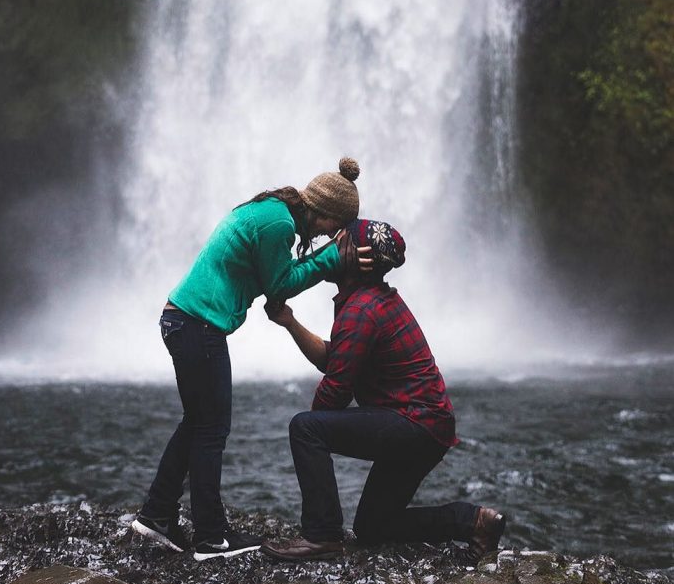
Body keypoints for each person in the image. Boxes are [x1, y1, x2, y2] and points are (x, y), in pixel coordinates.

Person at [132, 158, 372, 561]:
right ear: (326, 212)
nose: (335, 235)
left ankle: (157, 515)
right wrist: (333, 258)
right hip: (198, 326)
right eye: (336, 227)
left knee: (197, 424)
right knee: (211, 429)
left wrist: (325, 256)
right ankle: (210, 538)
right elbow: (280, 287)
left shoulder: (274, 211)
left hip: (183, 320)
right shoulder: (279, 225)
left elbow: (276, 278)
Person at [260, 218, 506, 562]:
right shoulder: (373, 300)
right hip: (428, 426)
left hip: (413, 424)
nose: (328, 250)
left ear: (356, 258)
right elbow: (339, 357)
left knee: (305, 427)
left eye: (337, 244)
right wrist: (290, 322)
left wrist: (316, 435)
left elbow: (335, 391)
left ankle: (321, 536)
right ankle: (474, 521)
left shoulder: (361, 310)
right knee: (373, 527)